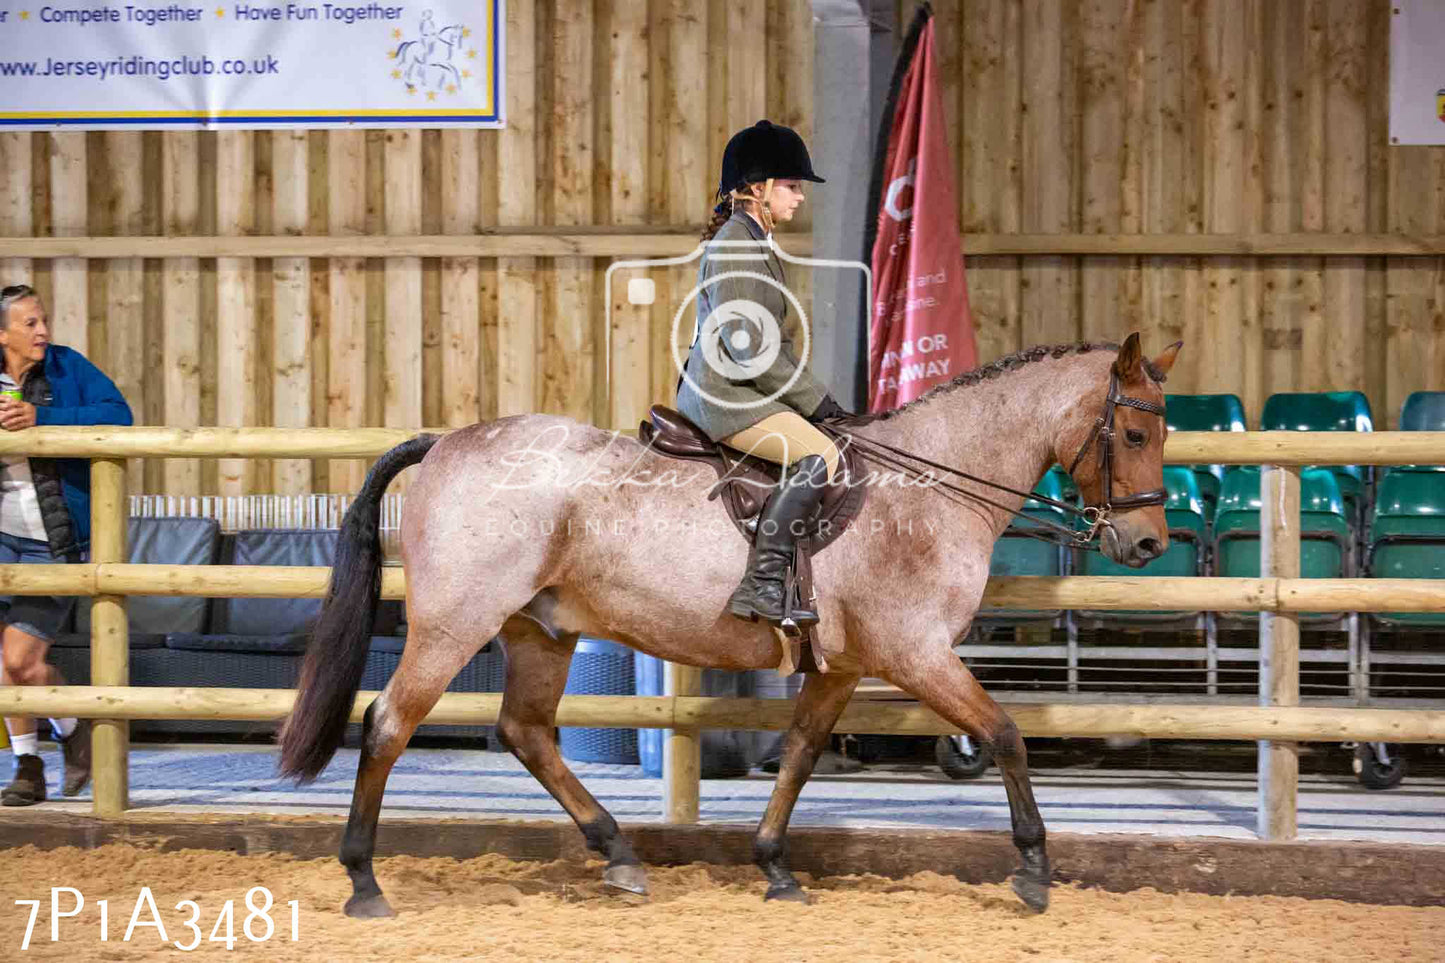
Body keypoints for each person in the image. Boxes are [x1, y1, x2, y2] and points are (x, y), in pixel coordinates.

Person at [675, 120, 849, 630]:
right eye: (792, 186)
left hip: (744, 387)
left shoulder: (756, 242)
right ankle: (764, 583)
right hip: (727, 395)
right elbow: (747, 349)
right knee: (820, 452)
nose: (799, 198)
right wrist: (816, 402)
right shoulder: (735, 244)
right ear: (757, 189)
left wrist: (817, 399)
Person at [0, 284, 133, 806]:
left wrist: (42, 420)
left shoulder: (67, 367)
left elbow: (119, 416)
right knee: (4, 664)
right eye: (30, 323)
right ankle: (28, 764)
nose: (42, 332)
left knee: (21, 661)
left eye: (44, 321)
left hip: (50, 542)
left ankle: (73, 729)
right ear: (4, 332)